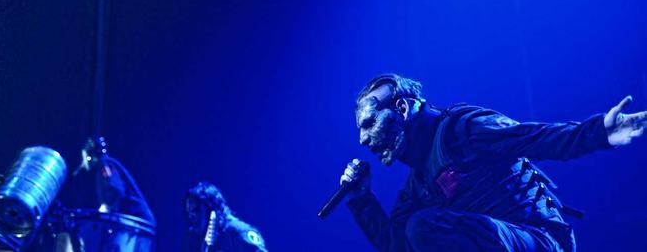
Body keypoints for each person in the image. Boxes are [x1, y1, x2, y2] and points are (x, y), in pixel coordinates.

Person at [340, 74, 647, 252]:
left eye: (368, 123)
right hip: (499, 241)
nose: (363, 140)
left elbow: (533, 137)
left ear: (402, 109)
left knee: (421, 226)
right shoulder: (417, 185)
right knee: (413, 230)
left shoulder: (462, 130)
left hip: (538, 242)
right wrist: (362, 200)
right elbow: (397, 248)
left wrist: (599, 133)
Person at [182, 182, 268, 252]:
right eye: (188, 213)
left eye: (195, 211)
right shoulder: (193, 237)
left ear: (211, 209)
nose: (191, 217)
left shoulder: (238, 233)